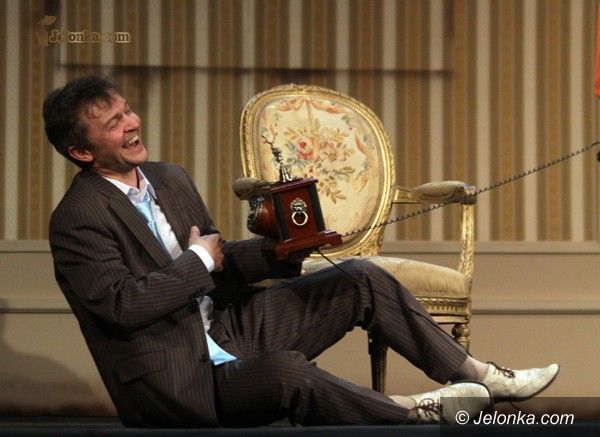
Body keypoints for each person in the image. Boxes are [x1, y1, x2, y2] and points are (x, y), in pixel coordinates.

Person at [44, 75, 559, 427]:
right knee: (287, 373)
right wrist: (197, 259)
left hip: (229, 330)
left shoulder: (169, 178)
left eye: (127, 110)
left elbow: (221, 266)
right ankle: (410, 412)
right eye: (113, 123)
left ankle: (480, 377)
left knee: (359, 278)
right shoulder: (77, 218)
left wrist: (283, 252)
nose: (132, 123)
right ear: (81, 152)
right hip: (180, 376)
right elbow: (123, 306)